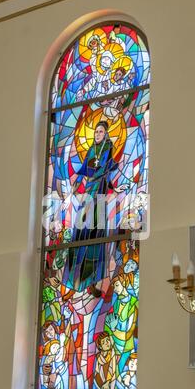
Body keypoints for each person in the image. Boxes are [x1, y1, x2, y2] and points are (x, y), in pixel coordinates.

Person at [62, 120, 128, 298]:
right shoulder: (92, 150)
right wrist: (77, 177)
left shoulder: (107, 148)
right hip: (88, 196)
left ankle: (92, 280)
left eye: (100, 131)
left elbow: (105, 170)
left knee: (94, 236)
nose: (97, 134)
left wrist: (113, 188)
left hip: (98, 196)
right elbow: (84, 169)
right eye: (96, 132)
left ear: (105, 133)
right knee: (79, 233)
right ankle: (73, 280)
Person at [105, 273, 138, 372]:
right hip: (113, 346)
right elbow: (108, 325)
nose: (115, 289)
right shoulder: (116, 303)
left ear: (124, 283)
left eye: (117, 285)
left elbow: (128, 334)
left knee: (119, 373)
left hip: (126, 348)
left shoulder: (133, 303)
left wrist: (113, 329)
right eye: (113, 286)